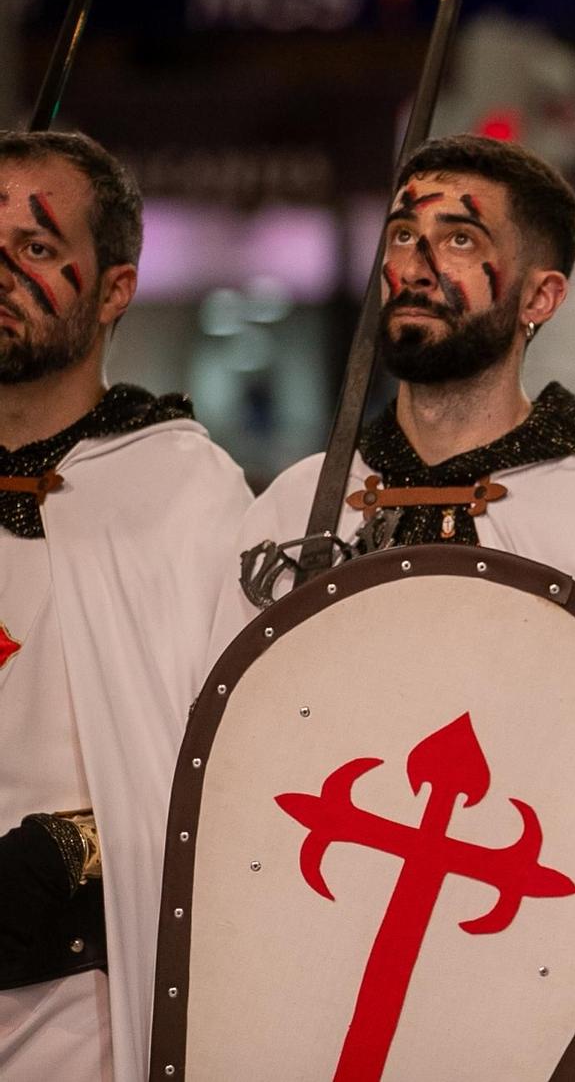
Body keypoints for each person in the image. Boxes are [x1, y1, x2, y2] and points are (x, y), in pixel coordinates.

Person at [212, 135, 575, 1076]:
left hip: (518, 990)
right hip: (305, 960)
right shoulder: (299, 502)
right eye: (403, 232)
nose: (417, 263)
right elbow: (232, 755)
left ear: (541, 298)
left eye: (461, 240)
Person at [0, 131, 250, 1081]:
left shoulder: (182, 495)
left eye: (36, 246)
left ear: (113, 290)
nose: (4, 271)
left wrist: (68, 849)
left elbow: (225, 768)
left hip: (79, 1010)